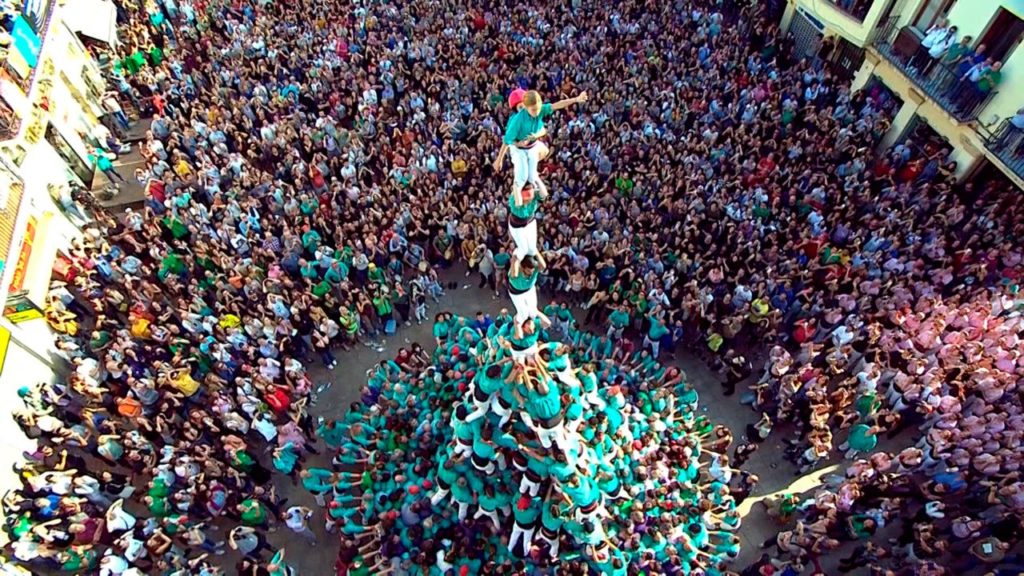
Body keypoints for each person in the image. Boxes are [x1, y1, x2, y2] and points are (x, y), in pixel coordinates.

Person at [493, 90, 588, 204]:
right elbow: (507, 141)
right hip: (519, 149)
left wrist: (576, 99)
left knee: (532, 176)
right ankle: (518, 207)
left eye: (538, 109)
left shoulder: (540, 110)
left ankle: (540, 195)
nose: (537, 112)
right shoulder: (517, 120)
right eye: (533, 110)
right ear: (526, 107)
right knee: (521, 178)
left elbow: (557, 105)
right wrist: (499, 160)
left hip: (532, 147)